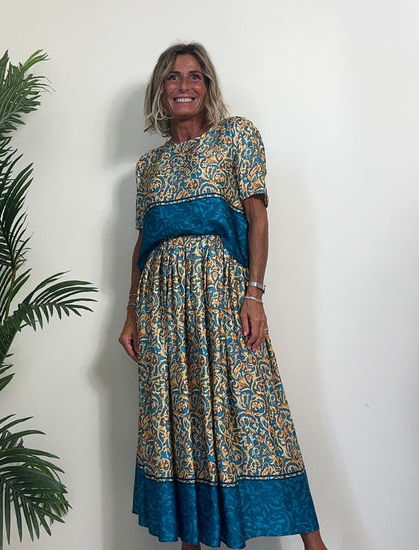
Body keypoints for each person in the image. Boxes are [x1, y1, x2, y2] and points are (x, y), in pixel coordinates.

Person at [119, 42, 328, 550]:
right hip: (163, 309)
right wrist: (131, 314)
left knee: (259, 413)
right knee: (180, 422)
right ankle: (192, 542)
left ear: (208, 86)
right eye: (173, 77)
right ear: (160, 90)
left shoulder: (236, 136)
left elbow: (257, 217)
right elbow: (144, 245)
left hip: (223, 297)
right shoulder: (149, 166)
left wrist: (254, 294)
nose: (183, 85)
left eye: (194, 76)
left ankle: (315, 544)